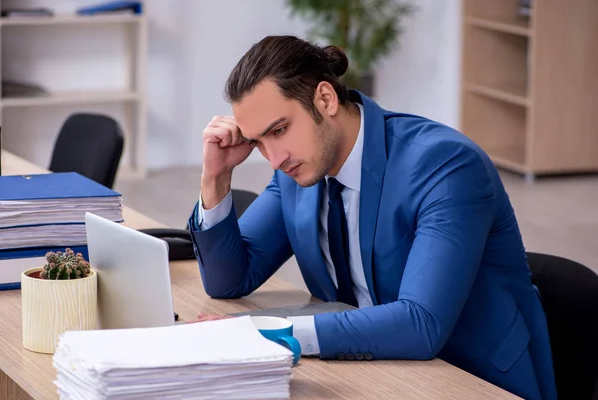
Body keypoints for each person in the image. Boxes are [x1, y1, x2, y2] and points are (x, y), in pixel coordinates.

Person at [188, 35, 556, 400]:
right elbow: (229, 280)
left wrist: (271, 333)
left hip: (472, 380)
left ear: (325, 99)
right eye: (259, 142)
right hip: (370, 373)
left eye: (279, 130)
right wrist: (215, 177)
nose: (274, 158)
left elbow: (421, 324)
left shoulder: (444, 165)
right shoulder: (296, 171)